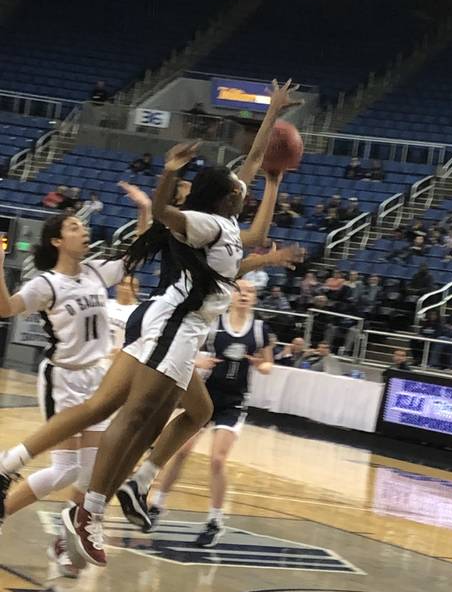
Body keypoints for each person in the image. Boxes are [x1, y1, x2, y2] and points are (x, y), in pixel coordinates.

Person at [0, 80, 303, 567]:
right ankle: (92, 508)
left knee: (170, 412)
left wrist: (273, 144)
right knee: (137, 419)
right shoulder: (205, 222)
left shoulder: (226, 225)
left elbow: (255, 222)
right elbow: (166, 212)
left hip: (172, 323)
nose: (241, 190)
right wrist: (168, 173)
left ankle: (111, 483)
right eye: (238, 190)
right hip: (171, 326)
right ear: (224, 198)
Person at [0, 191, 151, 576]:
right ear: (57, 240)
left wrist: (146, 210)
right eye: (74, 226)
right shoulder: (46, 284)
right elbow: (5, 308)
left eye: (82, 226)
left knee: (89, 473)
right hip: (63, 379)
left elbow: (137, 255)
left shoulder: (98, 270)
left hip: (97, 378)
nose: (83, 231)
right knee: (66, 471)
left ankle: (66, 541)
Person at [146, 281, 272, 546]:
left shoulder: (260, 330)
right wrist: (198, 361)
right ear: (231, 295)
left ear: (255, 299)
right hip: (206, 396)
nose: (245, 295)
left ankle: (215, 520)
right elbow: (188, 351)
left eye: (250, 292)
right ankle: (157, 504)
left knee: (217, 461)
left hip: (234, 402)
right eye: (240, 290)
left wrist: (263, 366)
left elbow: (268, 362)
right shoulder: (215, 323)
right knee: (181, 450)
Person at [107, 275, 140, 352]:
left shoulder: (139, 312)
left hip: (120, 357)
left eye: (132, 286)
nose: (127, 288)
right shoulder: (105, 304)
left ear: (137, 290)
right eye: (124, 284)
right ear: (117, 286)